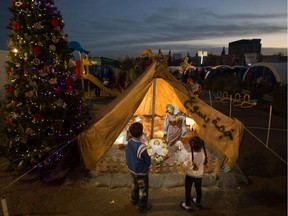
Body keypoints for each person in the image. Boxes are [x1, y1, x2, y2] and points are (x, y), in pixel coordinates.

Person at [125, 122, 152, 212]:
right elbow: (147, 161)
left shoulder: (129, 142)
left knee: (134, 185)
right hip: (140, 172)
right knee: (142, 188)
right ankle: (142, 206)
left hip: (132, 170)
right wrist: (148, 164)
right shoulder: (142, 147)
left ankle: (134, 199)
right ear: (141, 133)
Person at [180, 136, 207, 211]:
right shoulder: (203, 154)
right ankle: (198, 201)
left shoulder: (190, 156)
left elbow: (185, 165)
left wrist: (184, 164)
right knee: (198, 188)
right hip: (199, 175)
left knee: (188, 190)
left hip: (190, 175)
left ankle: (187, 205)